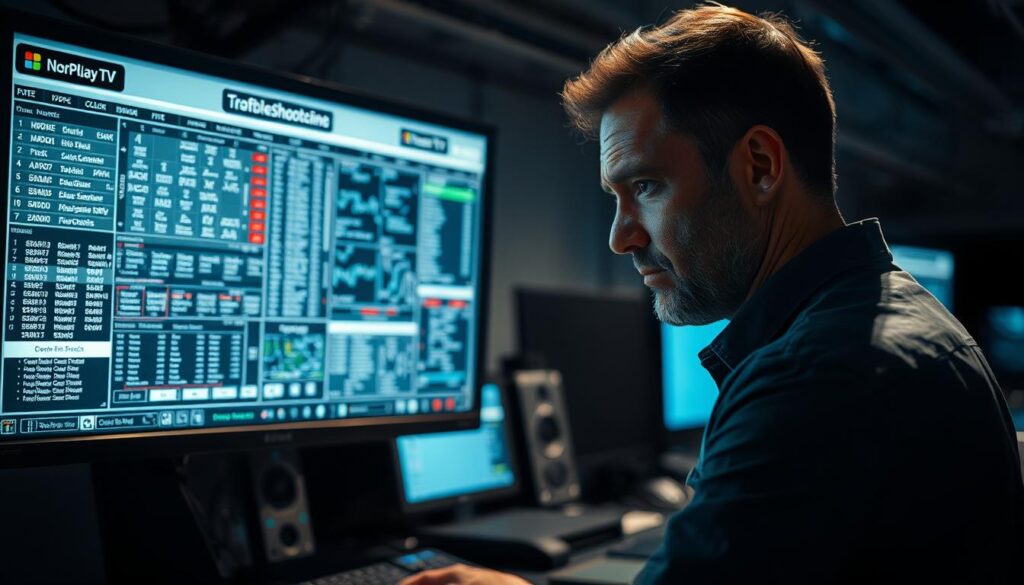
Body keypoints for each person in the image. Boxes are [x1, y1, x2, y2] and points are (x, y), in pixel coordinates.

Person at [401, 4, 1024, 584]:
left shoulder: (817, 379)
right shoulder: (891, 318)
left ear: (758, 166)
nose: (621, 237)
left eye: (645, 185)